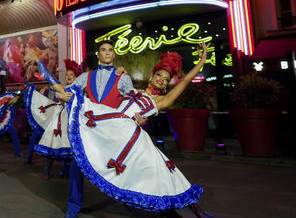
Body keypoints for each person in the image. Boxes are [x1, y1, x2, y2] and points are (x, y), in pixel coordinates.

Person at [65, 43, 213, 217]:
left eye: (166, 80)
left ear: (166, 86)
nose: (162, 80)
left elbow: (186, 80)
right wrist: (119, 70)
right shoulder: (134, 89)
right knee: (81, 160)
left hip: (132, 137)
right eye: (159, 75)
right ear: (152, 75)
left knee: (164, 173)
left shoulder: (162, 100)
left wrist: (202, 60)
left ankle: (198, 212)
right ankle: (73, 207)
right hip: (111, 128)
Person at [39, 40, 142, 218]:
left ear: (114, 54)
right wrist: (59, 94)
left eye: (110, 50)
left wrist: (138, 115)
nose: (107, 53)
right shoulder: (87, 77)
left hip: (113, 131)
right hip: (90, 130)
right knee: (77, 165)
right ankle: (73, 205)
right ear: (98, 54)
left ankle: (129, 200)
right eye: (103, 50)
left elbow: (131, 100)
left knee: (124, 166)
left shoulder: (123, 77)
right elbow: (68, 91)